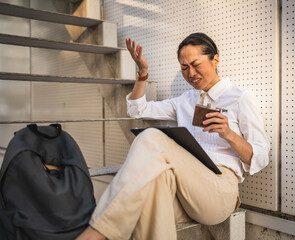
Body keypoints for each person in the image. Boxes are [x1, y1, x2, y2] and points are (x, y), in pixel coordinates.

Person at [76, 32, 270, 240]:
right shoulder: (185, 101)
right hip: (185, 190)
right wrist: (142, 73)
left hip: (219, 190)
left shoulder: (240, 98)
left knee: (152, 136)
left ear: (215, 59)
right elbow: (137, 110)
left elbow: (261, 157)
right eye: (184, 68)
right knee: (153, 191)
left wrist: (229, 134)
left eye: (196, 64)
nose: (191, 73)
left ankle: (96, 233)